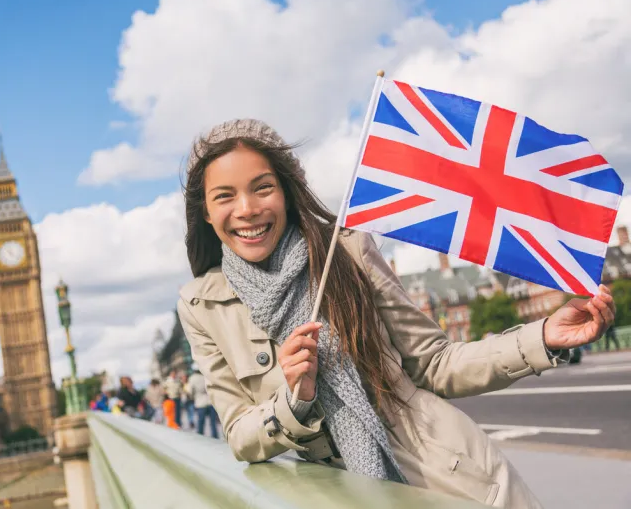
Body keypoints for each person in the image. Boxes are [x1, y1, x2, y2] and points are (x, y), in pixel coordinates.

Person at [176, 119, 616, 508]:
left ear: (287, 193)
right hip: (343, 493)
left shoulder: (348, 251)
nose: (248, 209)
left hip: (452, 473)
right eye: (225, 196)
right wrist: (295, 400)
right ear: (207, 213)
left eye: (262, 187)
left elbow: (434, 363)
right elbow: (238, 434)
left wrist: (542, 338)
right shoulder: (200, 305)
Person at [189, 365, 219, 439]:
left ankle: (200, 437)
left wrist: (193, 398)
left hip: (200, 403)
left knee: (201, 422)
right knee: (213, 423)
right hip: (210, 401)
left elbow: (191, 392)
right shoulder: (206, 375)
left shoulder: (192, 378)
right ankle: (215, 437)